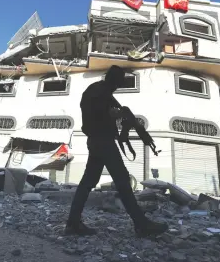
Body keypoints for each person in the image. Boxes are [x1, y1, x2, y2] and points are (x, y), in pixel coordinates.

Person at [64, 65, 169, 237]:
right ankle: (141, 225)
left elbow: (118, 111)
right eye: (119, 81)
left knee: (87, 183)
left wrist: (126, 118)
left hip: (99, 141)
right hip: (102, 141)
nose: (119, 85)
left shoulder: (102, 91)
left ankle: (73, 223)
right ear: (114, 80)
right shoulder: (99, 91)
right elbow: (99, 112)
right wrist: (113, 114)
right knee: (122, 181)